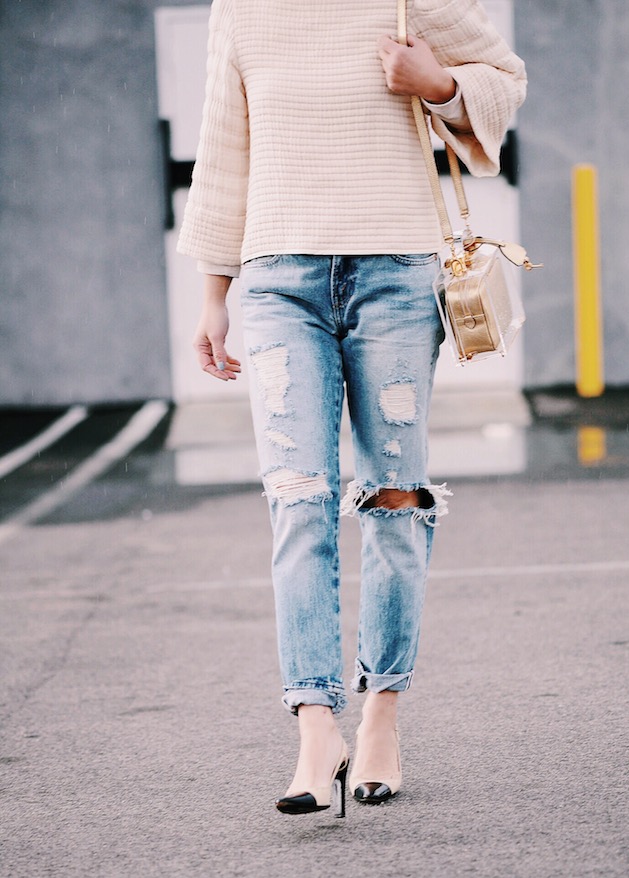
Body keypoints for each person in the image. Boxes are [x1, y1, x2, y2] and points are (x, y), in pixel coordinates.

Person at [178, 0, 526, 816]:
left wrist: (436, 82)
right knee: (297, 499)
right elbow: (224, 150)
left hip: (395, 280)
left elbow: (505, 80)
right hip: (275, 283)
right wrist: (212, 297)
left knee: (394, 500)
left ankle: (381, 720)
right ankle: (313, 729)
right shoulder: (242, 10)